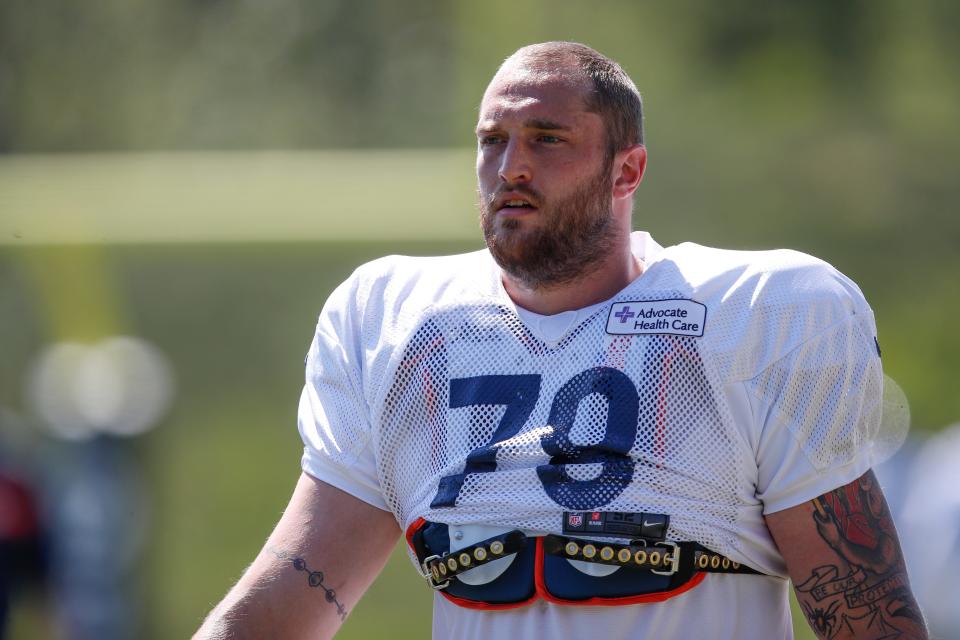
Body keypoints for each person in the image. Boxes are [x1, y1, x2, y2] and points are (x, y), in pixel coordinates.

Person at [194, 42, 927, 639]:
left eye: (547, 139)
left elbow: (865, 614)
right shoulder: (393, 324)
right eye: (493, 141)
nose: (510, 166)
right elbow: (288, 601)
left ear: (626, 170)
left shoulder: (759, 313)